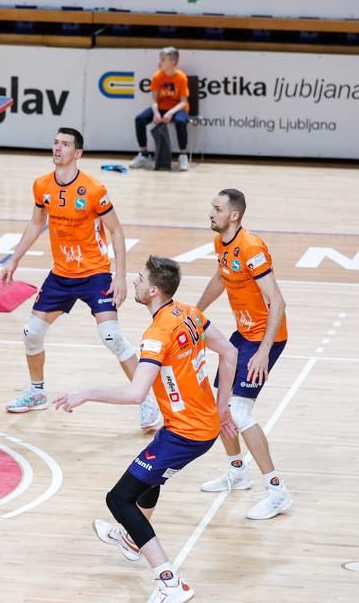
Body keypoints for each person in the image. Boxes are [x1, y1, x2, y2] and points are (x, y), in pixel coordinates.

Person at [54, 256, 239, 603]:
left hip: (187, 434)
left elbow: (136, 393)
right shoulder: (189, 313)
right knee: (150, 479)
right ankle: (130, 539)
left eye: (139, 279)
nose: (134, 282)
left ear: (153, 290)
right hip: (192, 426)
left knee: (119, 499)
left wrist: (85, 393)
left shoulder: (156, 335)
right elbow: (229, 353)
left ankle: (170, 582)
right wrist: (222, 406)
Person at [0, 128, 162, 432]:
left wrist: (121, 276)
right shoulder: (42, 186)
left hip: (95, 273)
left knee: (112, 337)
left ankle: (147, 403)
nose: (58, 148)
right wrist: (14, 258)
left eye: (65, 145)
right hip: (61, 274)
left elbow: (116, 230)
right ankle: (37, 392)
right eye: (56, 143)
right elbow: (37, 223)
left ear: (78, 154)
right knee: (31, 333)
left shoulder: (94, 190)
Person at [195, 189, 293, 520]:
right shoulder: (222, 243)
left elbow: (277, 302)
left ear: (233, 215)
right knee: (217, 403)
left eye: (217, 208)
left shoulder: (251, 247)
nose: (210, 212)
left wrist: (263, 352)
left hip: (266, 338)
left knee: (239, 410)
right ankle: (238, 472)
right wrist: (195, 313)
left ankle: (277, 491)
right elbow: (221, 278)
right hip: (244, 335)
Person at [130, 47, 191, 173]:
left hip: (176, 109)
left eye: (163, 60)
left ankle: (183, 156)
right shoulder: (157, 76)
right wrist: (156, 113)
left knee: (180, 121)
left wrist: (170, 113)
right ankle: (144, 154)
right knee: (140, 119)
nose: (159, 62)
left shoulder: (181, 77)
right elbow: (154, 100)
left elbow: (183, 102)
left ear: (172, 62)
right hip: (160, 108)